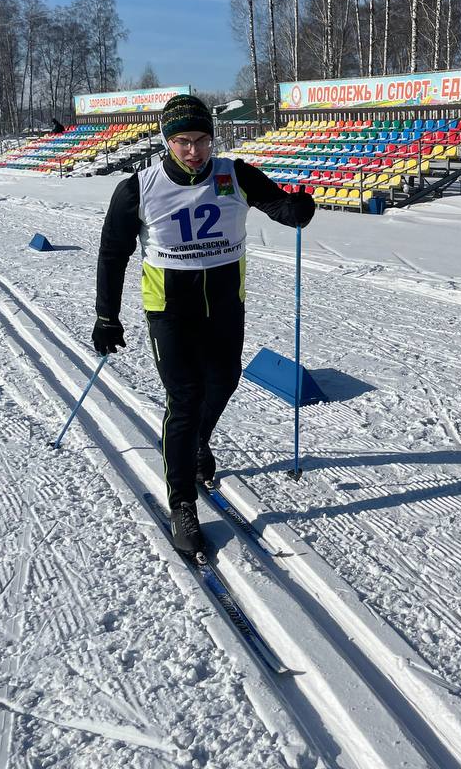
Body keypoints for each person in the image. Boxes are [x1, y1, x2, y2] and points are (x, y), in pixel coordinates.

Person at [93, 94, 315, 556]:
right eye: (182, 142)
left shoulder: (235, 174)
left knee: (225, 380)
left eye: (201, 140)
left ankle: (198, 443)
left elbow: (279, 207)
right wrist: (106, 316)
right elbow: (113, 255)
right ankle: (182, 503)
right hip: (170, 310)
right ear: (166, 142)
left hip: (225, 304)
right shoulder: (139, 188)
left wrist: (296, 210)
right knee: (186, 396)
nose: (194, 151)